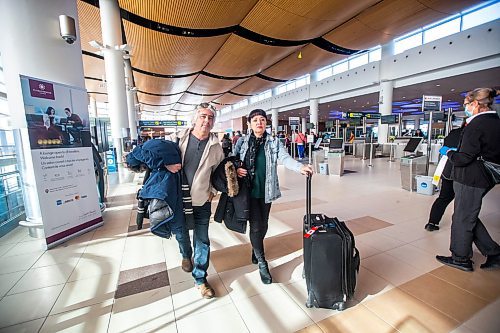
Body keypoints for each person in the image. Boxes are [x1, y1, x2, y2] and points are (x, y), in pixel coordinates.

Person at [234, 109, 313, 284]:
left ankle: (255, 249)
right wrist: (236, 168)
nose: (259, 123)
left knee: (263, 224)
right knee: (255, 226)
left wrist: (300, 167)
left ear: (266, 123)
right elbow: (232, 159)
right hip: (248, 192)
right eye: (255, 120)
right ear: (249, 124)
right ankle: (262, 262)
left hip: (266, 191)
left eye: (262, 120)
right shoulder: (242, 142)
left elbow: (285, 158)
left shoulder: (273, 142)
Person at [436, 88, 500, 272]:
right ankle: (493, 252)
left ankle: (461, 258)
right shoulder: (495, 121)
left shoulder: (476, 125)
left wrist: (449, 152)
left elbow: (463, 158)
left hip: (471, 177)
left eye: (465, 105)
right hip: (486, 176)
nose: (465, 108)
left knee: (463, 217)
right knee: (467, 214)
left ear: (475, 104)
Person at [168, 102, 224, 298]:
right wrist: (167, 167)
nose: (206, 121)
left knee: (202, 239)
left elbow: (219, 174)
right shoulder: (178, 139)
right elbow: (162, 161)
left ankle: (200, 278)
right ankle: (185, 254)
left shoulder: (216, 147)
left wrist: (214, 191)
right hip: (178, 199)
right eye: (203, 116)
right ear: (194, 118)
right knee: (181, 233)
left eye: (210, 118)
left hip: (202, 200)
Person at [425, 121, 465, 231]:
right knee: (464, 200)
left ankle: (432, 223)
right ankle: (461, 227)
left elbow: (444, 148)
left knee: (443, 197)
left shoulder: (453, 133)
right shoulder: (472, 133)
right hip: (463, 171)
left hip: (447, 168)